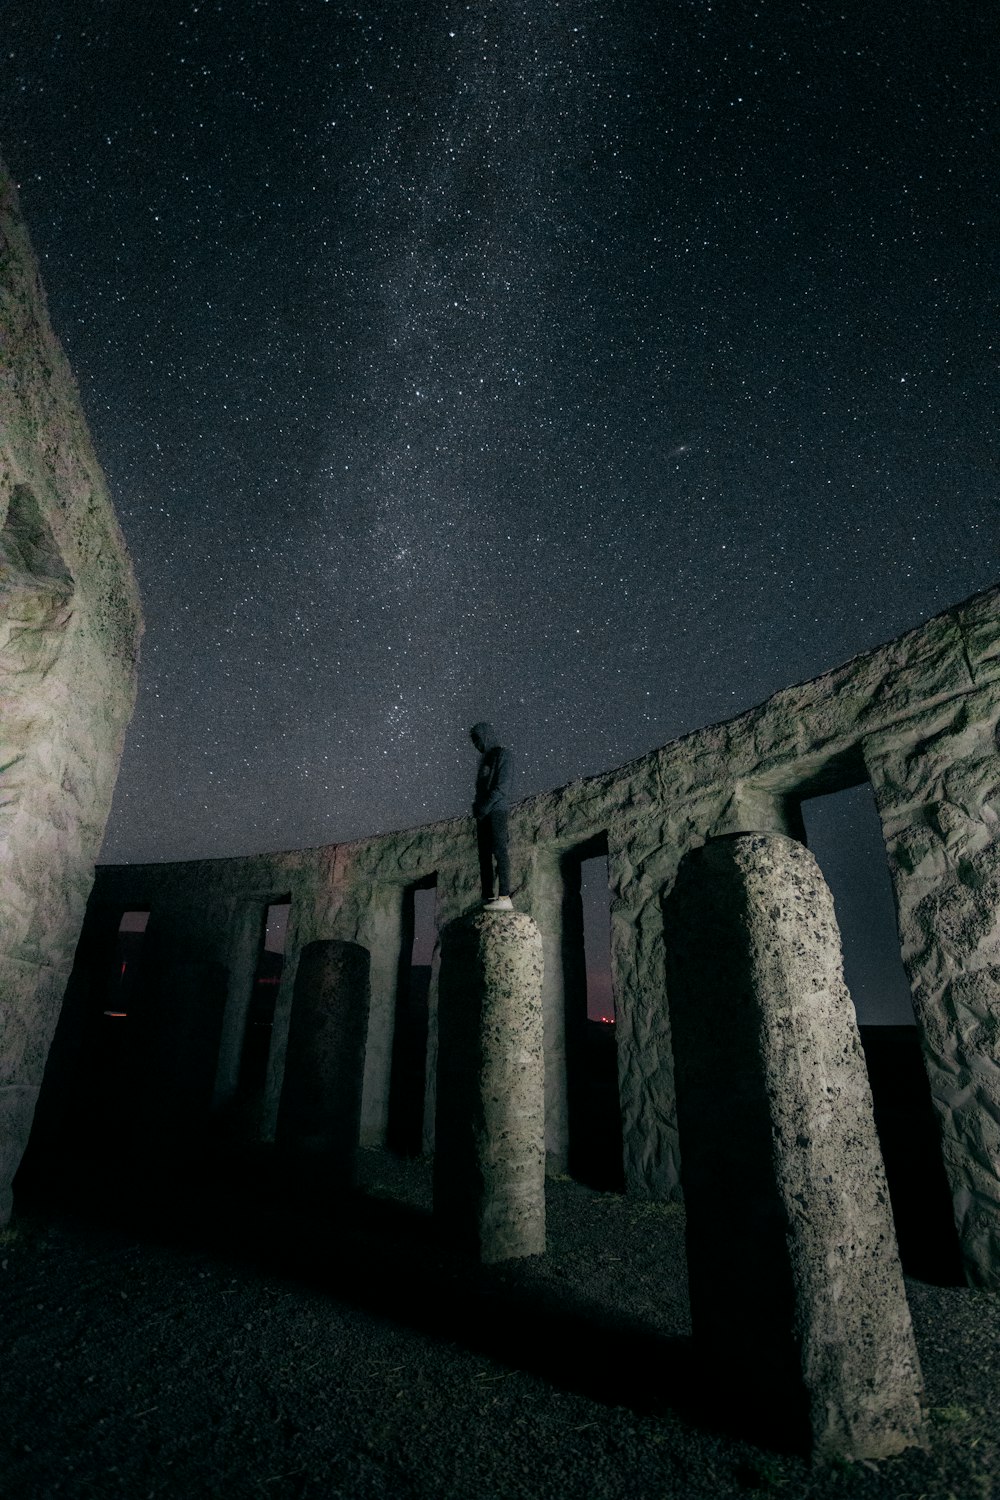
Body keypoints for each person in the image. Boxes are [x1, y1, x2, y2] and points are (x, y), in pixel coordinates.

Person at [470, 721, 513, 909]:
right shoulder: (484, 760)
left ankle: (504, 896)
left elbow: (501, 788)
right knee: (484, 856)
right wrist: (477, 808)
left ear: (486, 736)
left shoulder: (503, 754)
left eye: (478, 740)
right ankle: (487, 897)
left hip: (496, 810)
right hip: (483, 813)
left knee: (499, 850)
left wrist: (484, 807)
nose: (477, 746)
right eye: (474, 742)